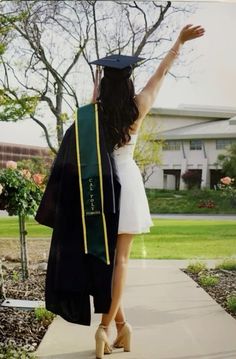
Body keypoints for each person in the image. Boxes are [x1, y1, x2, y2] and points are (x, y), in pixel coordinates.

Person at [91, 23, 205, 359]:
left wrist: (95, 92)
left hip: (102, 184)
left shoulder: (94, 113)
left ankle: (122, 328)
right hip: (126, 181)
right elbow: (161, 72)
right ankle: (105, 328)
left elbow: (89, 135)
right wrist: (179, 42)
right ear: (128, 82)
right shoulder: (138, 106)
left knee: (109, 262)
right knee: (121, 260)